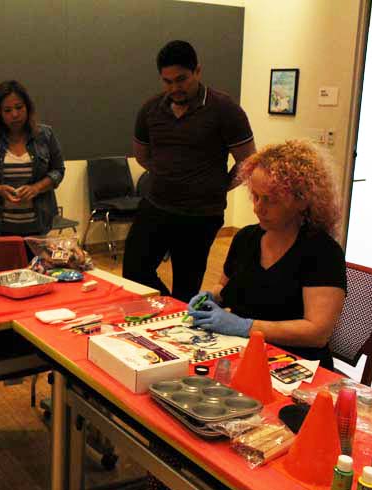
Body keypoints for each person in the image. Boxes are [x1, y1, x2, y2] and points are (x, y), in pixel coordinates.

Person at [188, 140, 347, 369]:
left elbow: (316, 332)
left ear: (301, 201)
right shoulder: (245, 238)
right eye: (255, 196)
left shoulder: (322, 252)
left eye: (271, 200)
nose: (258, 208)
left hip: (296, 365)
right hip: (244, 352)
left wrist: (246, 326)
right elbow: (226, 287)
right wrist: (209, 297)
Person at [123, 40, 256, 302]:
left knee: (187, 285)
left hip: (200, 215)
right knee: (134, 273)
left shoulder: (225, 109)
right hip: (156, 206)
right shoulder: (150, 110)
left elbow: (249, 161)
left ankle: (177, 320)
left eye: (181, 79)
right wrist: (168, 175)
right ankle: (167, 307)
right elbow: (142, 155)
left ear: (198, 71)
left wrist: (218, 185)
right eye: (167, 81)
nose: (175, 88)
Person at [0, 80, 65, 241]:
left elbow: (58, 171)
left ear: (28, 108)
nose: (14, 114)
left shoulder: (45, 135)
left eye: (19, 108)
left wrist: (36, 188)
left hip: (38, 227)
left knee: (37, 267)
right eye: (7, 110)